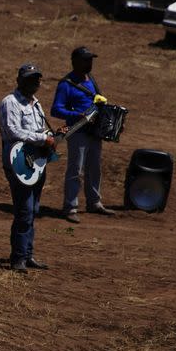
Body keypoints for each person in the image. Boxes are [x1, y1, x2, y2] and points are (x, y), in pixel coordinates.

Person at [0, 64, 57, 273]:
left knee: (33, 210)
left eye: (37, 79)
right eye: (30, 79)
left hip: (36, 163)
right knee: (24, 210)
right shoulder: (10, 102)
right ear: (19, 81)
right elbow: (13, 131)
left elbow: (40, 130)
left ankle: (27, 254)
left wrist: (52, 137)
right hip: (19, 164)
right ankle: (18, 258)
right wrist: (43, 138)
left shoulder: (37, 105)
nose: (34, 82)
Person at [51, 47, 116, 224]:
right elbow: (56, 109)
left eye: (91, 60)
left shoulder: (91, 80)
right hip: (78, 131)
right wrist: (76, 115)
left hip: (94, 132)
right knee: (76, 170)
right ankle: (70, 207)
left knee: (94, 168)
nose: (89, 63)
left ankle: (94, 202)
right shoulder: (66, 84)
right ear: (74, 61)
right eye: (86, 60)